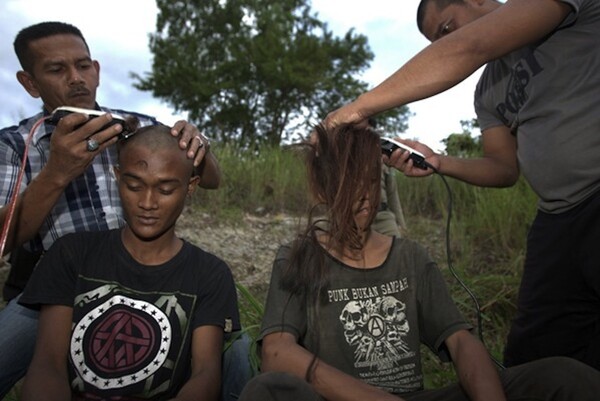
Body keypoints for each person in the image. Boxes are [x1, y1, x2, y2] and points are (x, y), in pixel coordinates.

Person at [324, 0, 600, 370]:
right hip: (557, 219)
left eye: (446, 29)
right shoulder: (488, 92)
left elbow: (470, 46)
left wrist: (357, 109)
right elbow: (503, 169)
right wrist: (440, 162)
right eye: (435, 41)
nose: (445, 42)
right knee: (535, 355)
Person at [237, 124, 600, 401]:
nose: (363, 196)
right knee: (267, 390)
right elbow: (277, 352)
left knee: (563, 376)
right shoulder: (297, 257)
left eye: (370, 180)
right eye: (348, 184)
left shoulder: (409, 257)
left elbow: (460, 343)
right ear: (321, 191)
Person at [0, 21, 221, 397]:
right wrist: (55, 174)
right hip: (57, 288)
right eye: (57, 69)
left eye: (83, 66)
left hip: (146, 278)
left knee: (212, 364)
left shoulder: (137, 128)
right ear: (29, 83)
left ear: (97, 69)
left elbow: (210, 178)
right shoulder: (15, 145)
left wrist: (199, 145)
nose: (76, 78)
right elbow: (3, 241)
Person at [18, 123, 240, 400]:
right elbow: (47, 364)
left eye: (166, 190)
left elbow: (206, 375)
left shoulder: (210, 274)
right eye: (134, 186)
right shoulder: (71, 254)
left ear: (191, 187)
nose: (147, 202)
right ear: (117, 177)